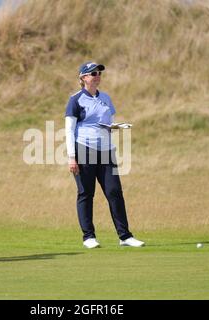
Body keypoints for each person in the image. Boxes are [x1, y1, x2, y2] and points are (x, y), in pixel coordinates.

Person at [64, 62, 145, 248]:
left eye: (99, 73)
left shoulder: (106, 98)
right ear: (84, 78)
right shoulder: (75, 100)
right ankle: (88, 237)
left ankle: (124, 236)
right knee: (86, 193)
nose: (97, 76)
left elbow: (110, 122)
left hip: (106, 151)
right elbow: (69, 130)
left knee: (114, 191)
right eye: (93, 73)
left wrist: (115, 127)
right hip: (84, 149)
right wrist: (71, 156)